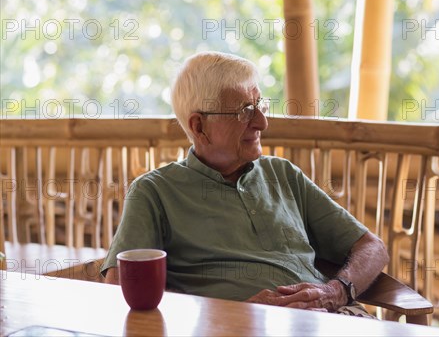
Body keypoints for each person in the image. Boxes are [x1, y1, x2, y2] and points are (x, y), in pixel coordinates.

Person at [101, 51, 389, 315]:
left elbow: (373, 247)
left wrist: (335, 291)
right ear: (199, 126)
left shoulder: (282, 174)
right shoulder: (155, 192)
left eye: (259, 105)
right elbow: (120, 292)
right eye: (243, 111)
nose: (262, 122)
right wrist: (235, 313)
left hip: (335, 321)